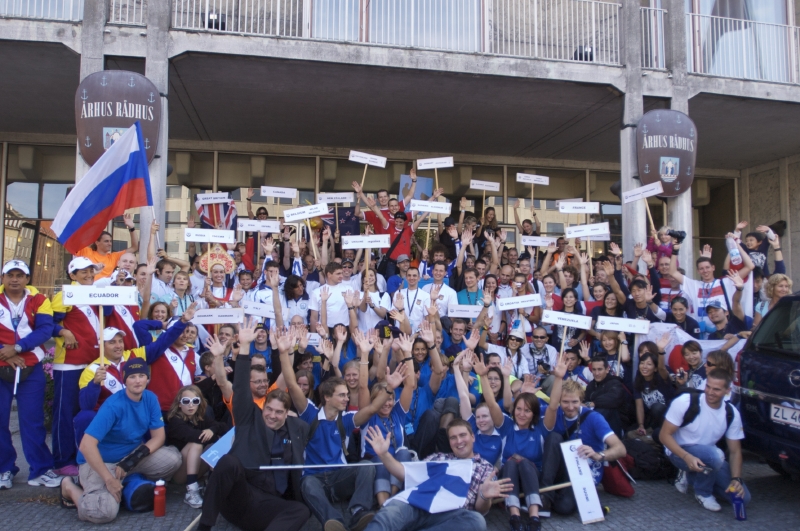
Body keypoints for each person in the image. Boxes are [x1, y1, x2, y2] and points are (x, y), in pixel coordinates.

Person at [279, 327, 403, 531]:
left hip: (339, 476)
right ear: (327, 397)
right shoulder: (309, 413)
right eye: (342, 395)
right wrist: (284, 352)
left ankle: (358, 511)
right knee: (307, 484)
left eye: (346, 394)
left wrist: (389, 388)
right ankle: (333, 520)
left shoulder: (345, 419)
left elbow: (372, 408)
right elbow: (292, 385)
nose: (347, 399)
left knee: (366, 466)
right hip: (314, 478)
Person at [197, 321, 311, 531]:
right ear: (263, 407)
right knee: (228, 462)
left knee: (301, 511)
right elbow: (238, 387)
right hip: (242, 494)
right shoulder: (249, 416)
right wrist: (244, 348)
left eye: (279, 412)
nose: (273, 415)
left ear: (287, 413)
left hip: (269, 503)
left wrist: (288, 351)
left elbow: (288, 379)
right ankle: (204, 526)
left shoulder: (297, 427)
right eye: (269, 410)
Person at [59, 359, 182, 523]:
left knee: (173, 459)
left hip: (129, 459)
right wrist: (109, 480)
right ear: (125, 380)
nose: (137, 381)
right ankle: (69, 487)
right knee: (102, 513)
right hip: (102, 463)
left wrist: (130, 462)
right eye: (132, 377)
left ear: (148, 378)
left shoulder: (150, 398)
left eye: (141, 376)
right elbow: (86, 445)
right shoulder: (113, 405)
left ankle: (126, 482)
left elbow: (159, 437)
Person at [362, 418, 512, 531]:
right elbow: (404, 473)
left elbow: (481, 509)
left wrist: (484, 496)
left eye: (463, 435)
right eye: (453, 437)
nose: (459, 441)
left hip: (451, 515)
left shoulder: (485, 468)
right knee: (389, 513)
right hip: (417, 504)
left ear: (473, 437)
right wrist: (384, 455)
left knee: (477, 521)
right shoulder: (439, 458)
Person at [0, 259, 59, 490]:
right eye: (10, 275)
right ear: (3, 278)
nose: (14, 279)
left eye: (19, 275)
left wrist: (17, 348)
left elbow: (45, 330)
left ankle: (40, 470)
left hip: (29, 366)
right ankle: (4, 469)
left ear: (27, 279)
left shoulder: (39, 300)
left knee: (32, 421)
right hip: (1, 366)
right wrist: (5, 354)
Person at [660, 368, 749, 512]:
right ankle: (703, 492)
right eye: (708, 386)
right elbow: (664, 435)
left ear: (727, 390)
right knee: (716, 455)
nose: (710, 392)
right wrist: (686, 457)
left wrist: (736, 479)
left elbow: (735, 452)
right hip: (679, 451)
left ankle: (693, 477)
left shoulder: (731, 412)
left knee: (743, 498)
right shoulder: (685, 401)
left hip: (709, 457)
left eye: (716, 389)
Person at [541, 369, 626, 516]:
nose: (570, 407)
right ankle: (545, 497)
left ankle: (557, 495)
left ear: (581, 400)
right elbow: (524, 410)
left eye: (575, 402)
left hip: (584, 471)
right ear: (559, 401)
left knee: (564, 508)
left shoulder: (594, 418)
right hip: (562, 467)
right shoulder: (554, 412)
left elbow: (620, 449)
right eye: (565, 402)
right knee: (554, 437)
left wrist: (598, 455)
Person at [50, 257, 106, 475]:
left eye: (91, 271)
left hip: (92, 363)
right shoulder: (66, 294)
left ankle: (84, 457)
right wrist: (63, 331)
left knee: (87, 412)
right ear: (72, 275)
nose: (89, 275)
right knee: (66, 414)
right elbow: (48, 323)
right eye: (83, 272)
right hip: (69, 364)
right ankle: (62, 461)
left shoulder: (95, 293)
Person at [166, 385, 227, 507]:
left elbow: (223, 427)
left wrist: (212, 430)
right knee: (196, 444)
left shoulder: (200, 418)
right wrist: (213, 435)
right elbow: (196, 437)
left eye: (195, 401)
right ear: (179, 404)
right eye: (186, 401)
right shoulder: (175, 421)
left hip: (196, 468)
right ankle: (191, 491)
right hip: (178, 474)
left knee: (219, 444)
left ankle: (210, 485)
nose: (191, 405)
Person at [74, 214, 138, 280]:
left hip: (107, 286)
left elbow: (134, 247)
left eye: (110, 241)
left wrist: (132, 228)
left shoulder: (113, 257)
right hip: (89, 285)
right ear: (97, 242)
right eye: (106, 241)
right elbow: (73, 242)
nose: (109, 244)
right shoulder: (87, 252)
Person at [633, 337, 673, 436]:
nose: (644, 366)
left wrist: (661, 350)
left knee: (657, 407)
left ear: (655, 369)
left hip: (668, 418)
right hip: (650, 419)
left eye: (649, 364)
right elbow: (639, 406)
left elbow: (662, 368)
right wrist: (641, 425)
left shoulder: (662, 377)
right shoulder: (638, 380)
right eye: (642, 363)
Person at [583, 356, 632, 436]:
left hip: (617, 424)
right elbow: (585, 400)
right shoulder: (591, 385)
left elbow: (614, 398)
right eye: (594, 369)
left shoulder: (615, 382)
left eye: (600, 369)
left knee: (606, 408)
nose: (596, 373)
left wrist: (594, 403)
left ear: (607, 369)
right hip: (595, 422)